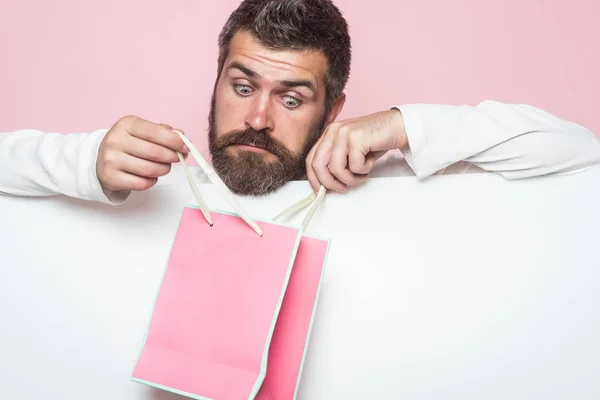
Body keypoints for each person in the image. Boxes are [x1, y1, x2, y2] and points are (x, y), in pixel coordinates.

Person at [1, 0, 600, 206]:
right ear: (214, 82)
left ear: (333, 110)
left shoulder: (396, 188)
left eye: (291, 98)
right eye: (241, 88)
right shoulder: (145, 189)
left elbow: (581, 153)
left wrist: (401, 126)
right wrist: (82, 163)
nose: (257, 119)